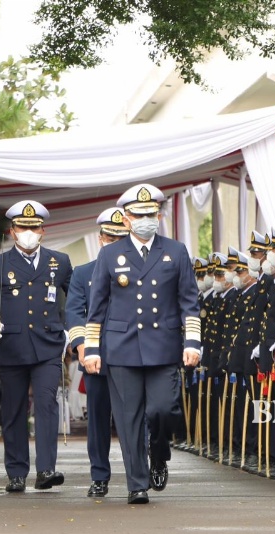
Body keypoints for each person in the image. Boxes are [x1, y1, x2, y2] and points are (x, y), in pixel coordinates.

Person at [84, 183, 200, 506]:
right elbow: (97, 307)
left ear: (159, 215)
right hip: (121, 348)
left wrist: (192, 342)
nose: (146, 219)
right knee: (128, 418)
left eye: (151, 213)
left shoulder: (175, 251)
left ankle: (159, 452)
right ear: (126, 218)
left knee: (163, 409)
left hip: (164, 347)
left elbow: (189, 301)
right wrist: (92, 349)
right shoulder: (109, 254)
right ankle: (137, 483)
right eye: (139, 214)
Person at [0, 200, 73, 493]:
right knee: (14, 410)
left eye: (33, 227)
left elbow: (78, 297)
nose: (28, 232)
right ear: (12, 231)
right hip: (13, 346)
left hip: (48, 345)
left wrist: (72, 329)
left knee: (46, 404)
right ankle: (16, 472)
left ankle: (46, 470)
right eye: (22, 227)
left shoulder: (60, 262)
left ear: (43, 230)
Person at [66, 207, 129, 498]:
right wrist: (81, 347)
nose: (113, 242)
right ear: (100, 237)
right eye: (108, 236)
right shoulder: (83, 273)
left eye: (120, 237)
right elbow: (75, 313)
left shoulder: (140, 270)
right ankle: (100, 476)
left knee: (134, 418)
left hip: (131, 357)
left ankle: (137, 475)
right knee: (99, 420)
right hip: (96, 357)